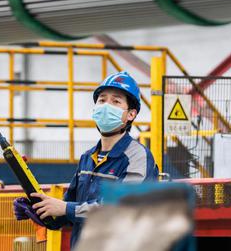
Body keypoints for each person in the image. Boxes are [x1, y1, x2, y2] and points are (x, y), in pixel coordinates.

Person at [13, 71, 159, 248]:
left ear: (131, 114)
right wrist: (38, 209)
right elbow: (67, 214)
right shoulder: (87, 158)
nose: (106, 106)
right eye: (102, 100)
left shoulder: (138, 157)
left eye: (116, 101)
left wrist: (66, 208)